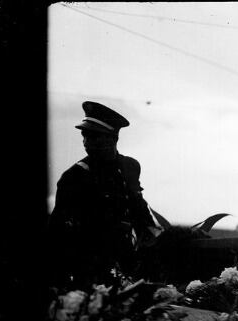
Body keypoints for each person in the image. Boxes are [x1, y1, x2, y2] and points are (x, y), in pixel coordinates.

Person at [49, 101, 162, 288]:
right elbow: (57, 232)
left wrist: (156, 238)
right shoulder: (74, 177)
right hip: (89, 268)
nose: (86, 142)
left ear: (112, 138)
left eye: (94, 137)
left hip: (127, 263)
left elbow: (138, 209)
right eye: (84, 136)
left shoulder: (129, 167)